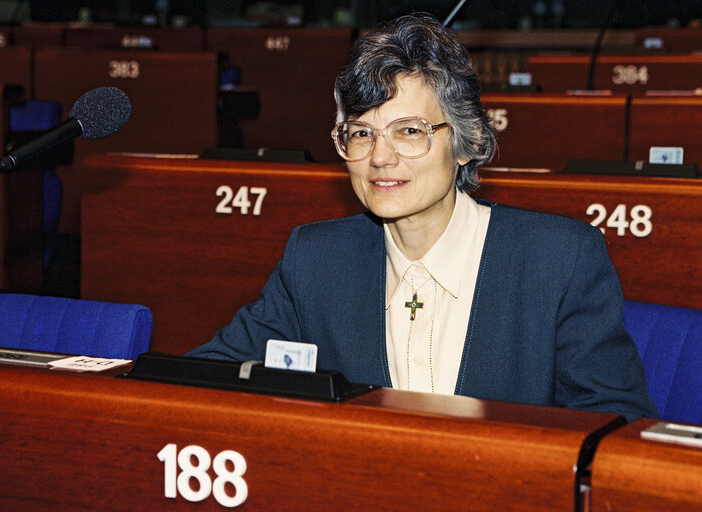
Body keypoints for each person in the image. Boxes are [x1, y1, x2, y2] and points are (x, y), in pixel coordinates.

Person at [188, 13, 658, 422]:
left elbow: (616, 433)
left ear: (466, 140)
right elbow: (203, 378)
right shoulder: (315, 259)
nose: (380, 158)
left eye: (409, 131)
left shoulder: (560, 259)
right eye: (360, 134)